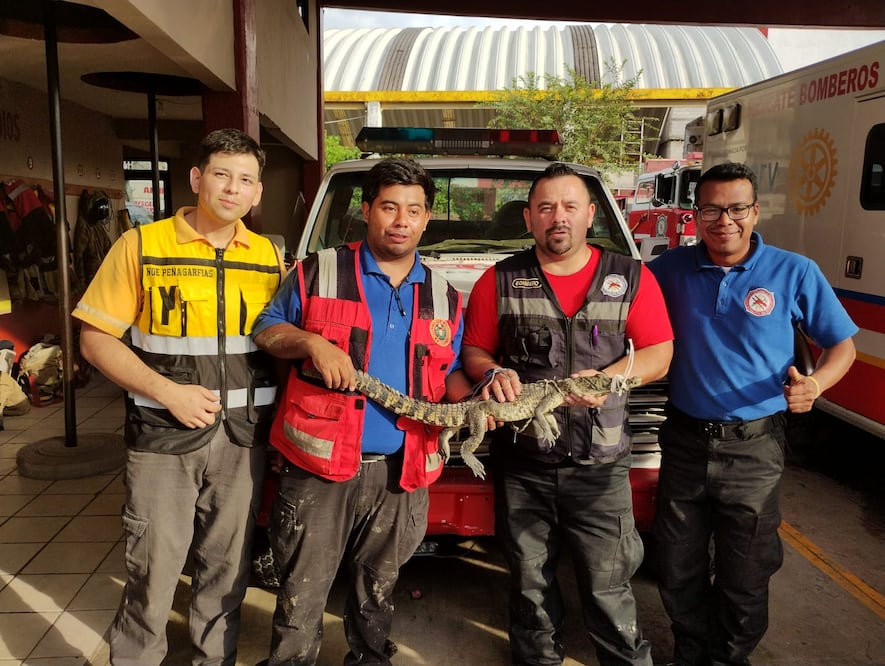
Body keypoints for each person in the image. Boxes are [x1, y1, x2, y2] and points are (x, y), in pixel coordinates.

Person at [74, 128, 284, 666]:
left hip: (243, 443)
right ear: (196, 179)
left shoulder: (267, 258)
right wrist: (168, 392)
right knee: (153, 574)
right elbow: (95, 338)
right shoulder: (142, 245)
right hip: (163, 440)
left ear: (258, 192)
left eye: (245, 179)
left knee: (226, 576)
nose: (232, 189)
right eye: (221, 174)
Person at [253, 157, 472, 666]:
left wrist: (485, 392)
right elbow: (266, 328)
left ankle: (370, 660)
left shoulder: (443, 295)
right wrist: (309, 341)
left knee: (379, 588)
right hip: (320, 468)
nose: (401, 221)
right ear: (367, 209)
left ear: (426, 218)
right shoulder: (319, 271)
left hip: (405, 469)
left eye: (413, 210)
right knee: (302, 591)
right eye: (389, 207)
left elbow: (453, 372)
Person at [461, 162, 674, 666]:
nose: (558, 217)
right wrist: (491, 374)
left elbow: (658, 352)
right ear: (530, 218)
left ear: (591, 215)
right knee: (530, 583)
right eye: (546, 207)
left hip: (601, 466)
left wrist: (608, 380)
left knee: (608, 585)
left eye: (570, 206)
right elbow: (474, 351)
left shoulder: (631, 277)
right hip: (524, 464)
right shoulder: (500, 280)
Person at [647, 162, 857, 666]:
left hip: (755, 447)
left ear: (755, 211)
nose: (725, 221)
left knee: (746, 572)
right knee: (677, 565)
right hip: (684, 441)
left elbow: (842, 347)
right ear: (695, 215)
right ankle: (690, 653)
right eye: (713, 209)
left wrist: (815, 386)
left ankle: (728, 658)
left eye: (737, 208)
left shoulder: (794, 271)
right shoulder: (668, 270)